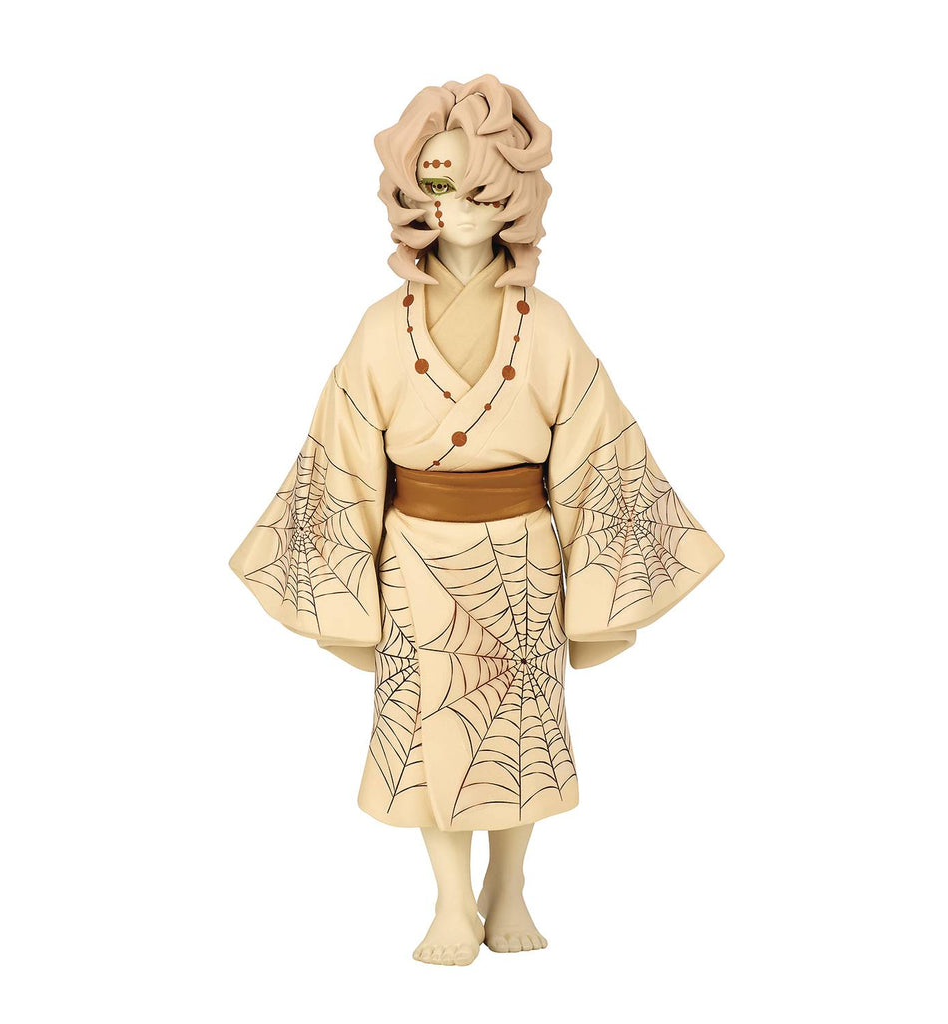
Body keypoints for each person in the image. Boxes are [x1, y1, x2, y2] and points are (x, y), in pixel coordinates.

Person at [230, 74, 723, 966]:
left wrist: (597, 584)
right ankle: (452, 899)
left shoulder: (550, 326)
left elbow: (597, 448)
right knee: (430, 740)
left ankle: (511, 884)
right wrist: (345, 584)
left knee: (520, 730)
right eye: (434, 184)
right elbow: (342, 453)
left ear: (512, 194)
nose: (452, 206)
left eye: (475, 185)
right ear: (409, 194)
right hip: (412, 557)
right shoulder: (380, 328)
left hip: (523, 558)